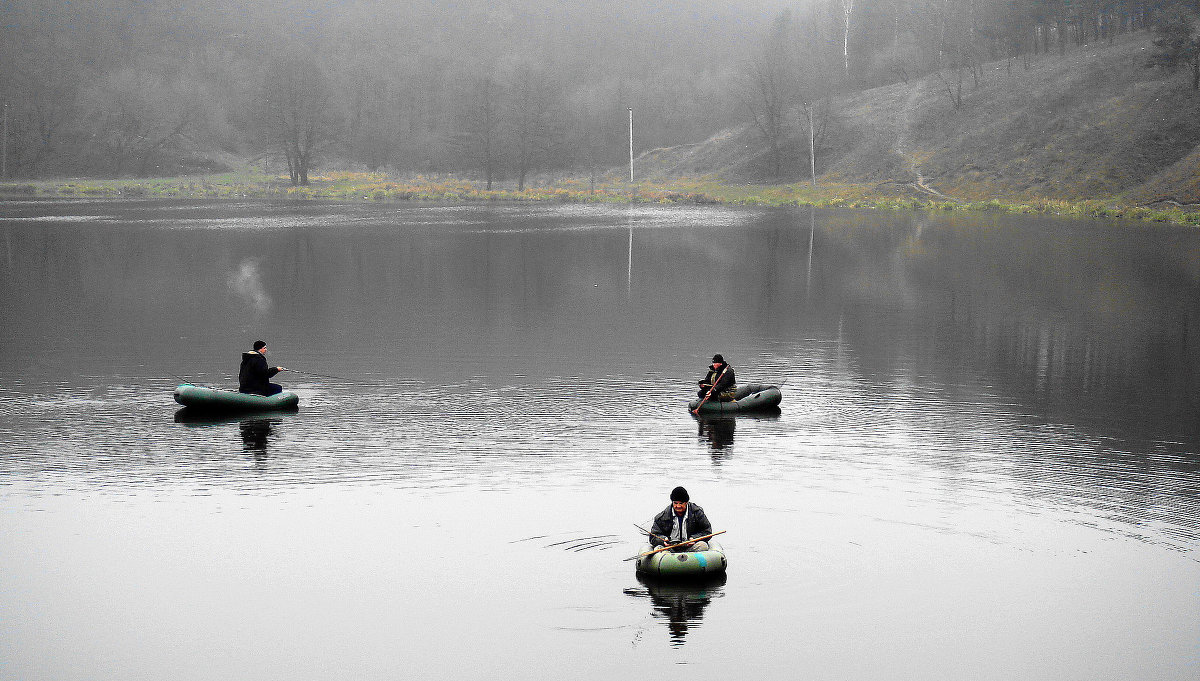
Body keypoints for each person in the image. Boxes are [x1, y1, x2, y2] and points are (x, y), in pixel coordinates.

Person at [648, 486, 713, 551]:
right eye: (675, 503)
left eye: (681, 503)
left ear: (686, 502)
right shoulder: (662, 517)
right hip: (670, 549)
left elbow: (707, 531)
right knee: (658, 548)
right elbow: (653, 537)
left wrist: (694, 538)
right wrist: (663, 540)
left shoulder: (697, 513)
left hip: (690, 548)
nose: (678, 506)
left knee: (702, 546)